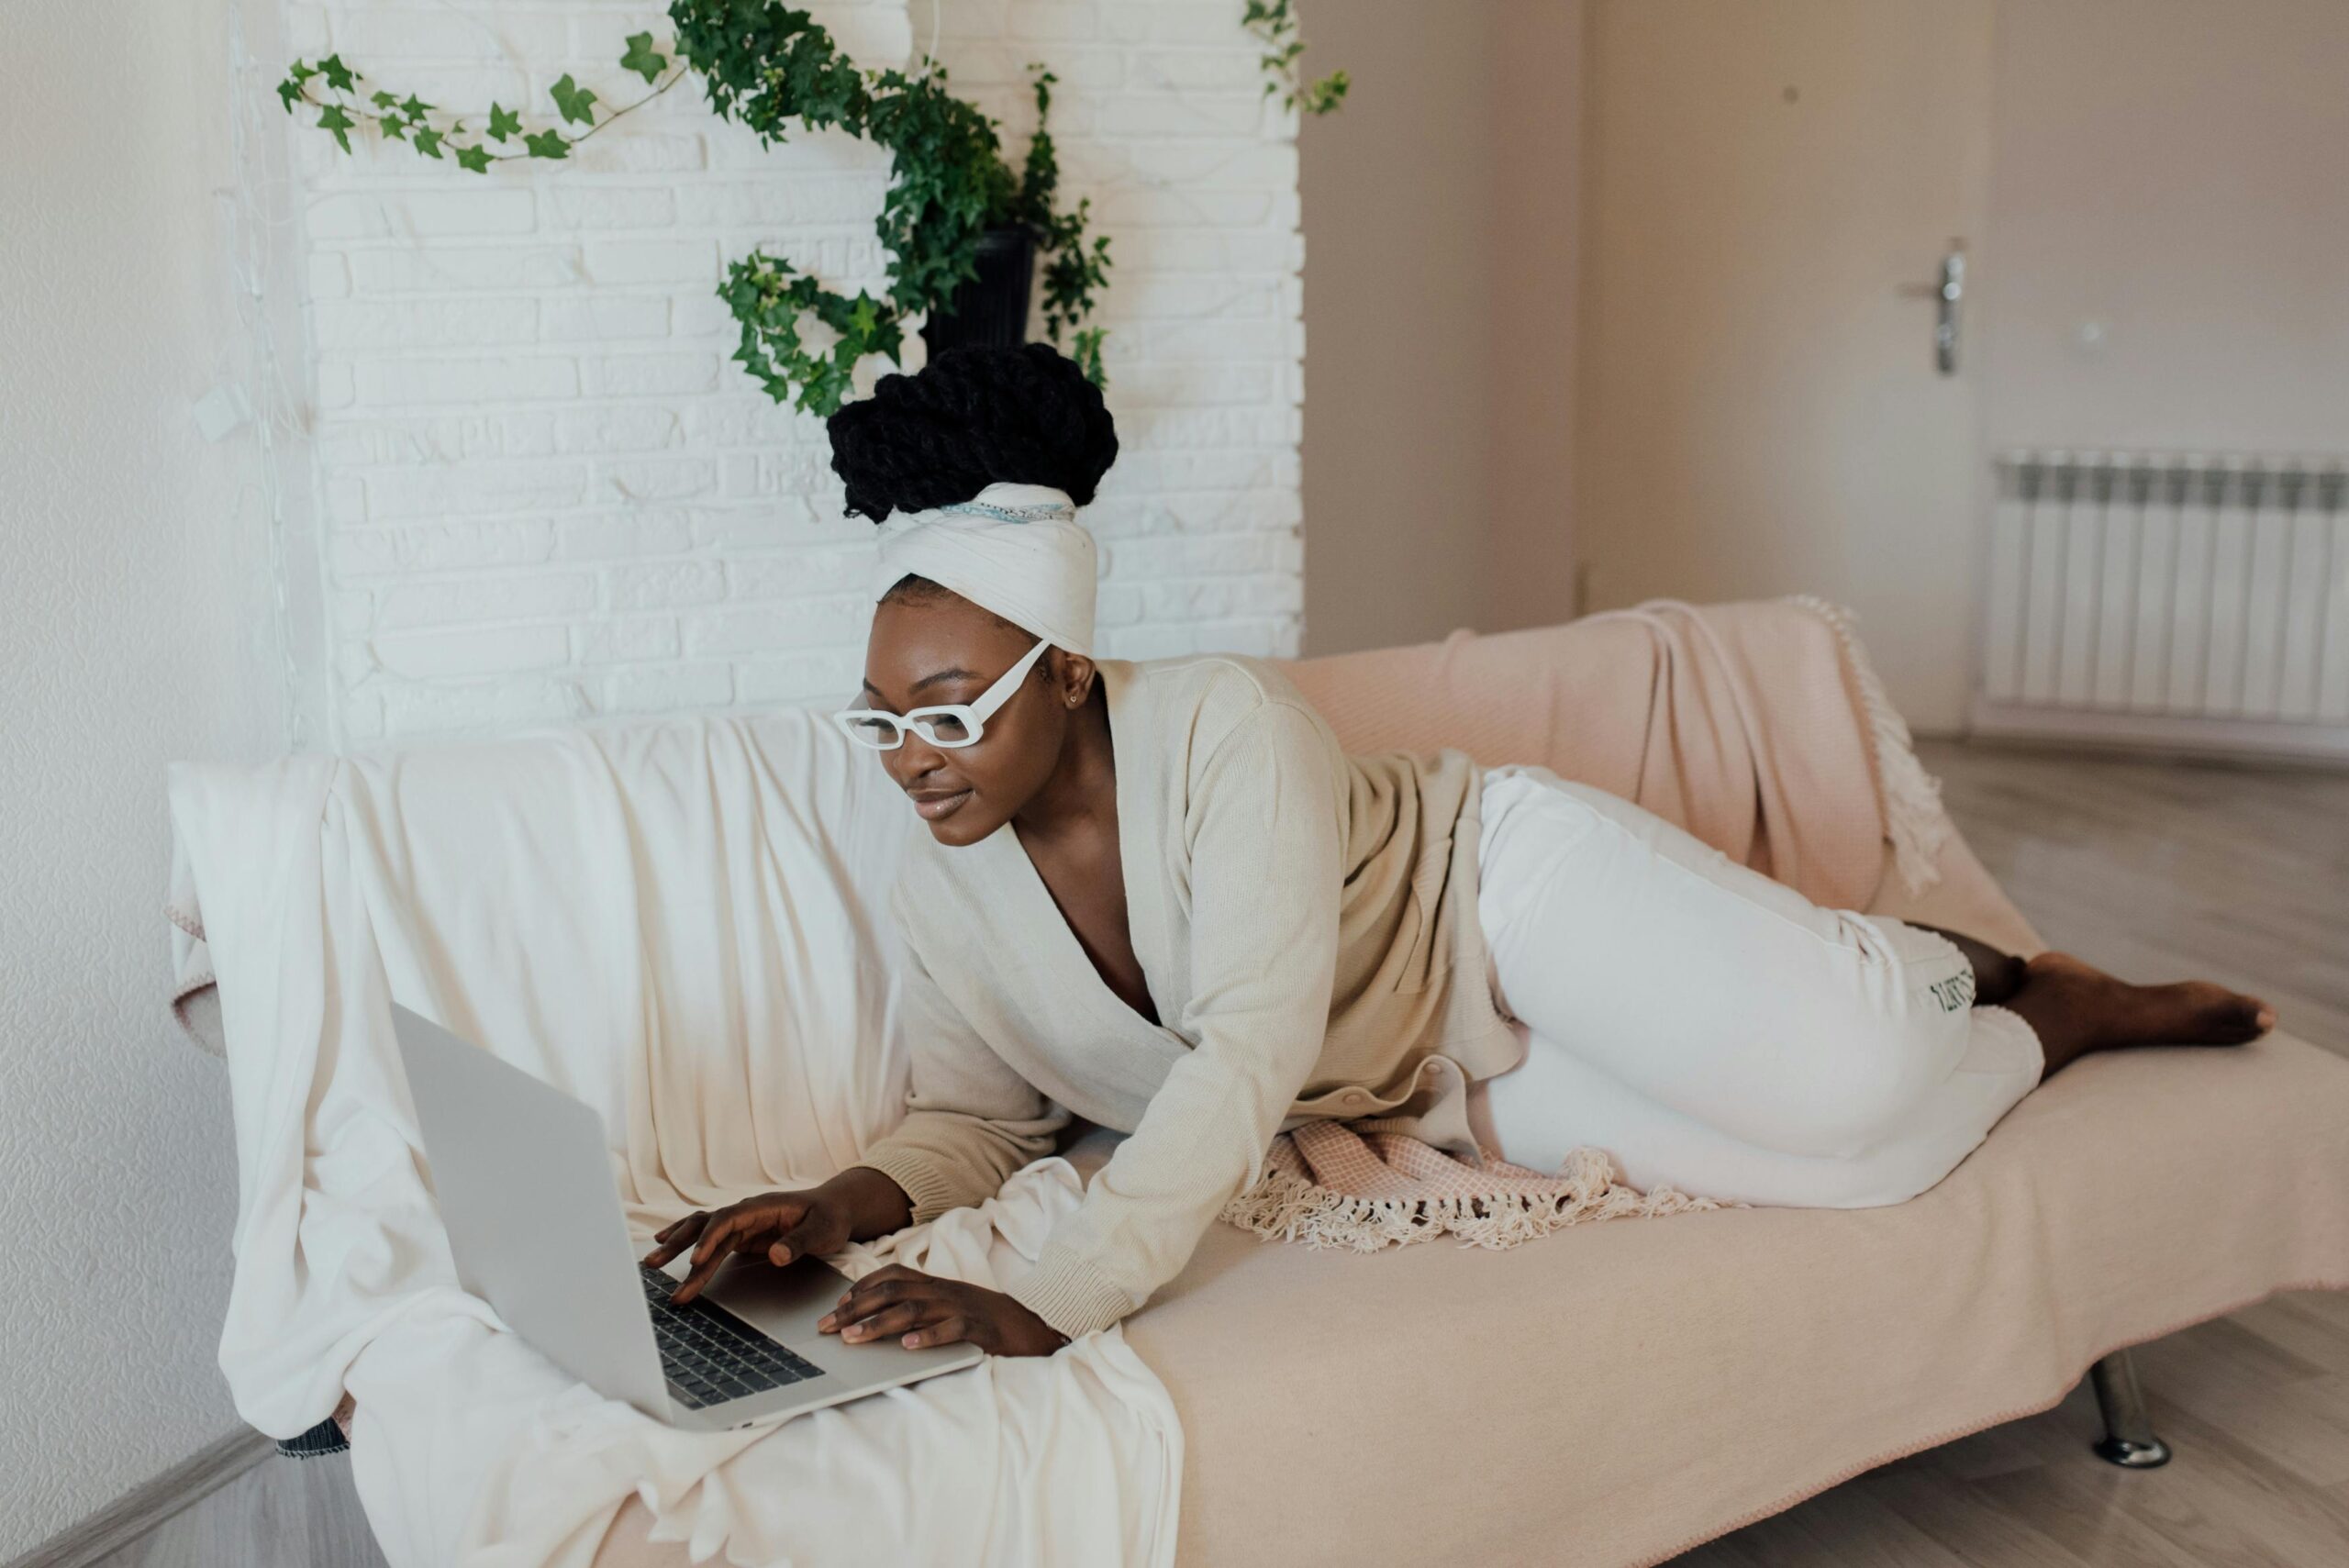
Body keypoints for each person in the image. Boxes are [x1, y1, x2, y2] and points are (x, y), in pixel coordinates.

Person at [641, 342, 2274, 1358]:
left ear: (1066, 670)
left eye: (946, 710)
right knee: (1856, 1169)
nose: (908, 760)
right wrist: (839, 1203)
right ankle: (2048, 1016)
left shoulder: (1227, 726)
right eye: (879, 720)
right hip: (1434, 1073)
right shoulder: (949, 862)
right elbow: (975, 1118)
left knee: (1850, 1078)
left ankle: (1953, 964)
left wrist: (1057, 1296)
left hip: (1506, 896)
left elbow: (1255, 1039)